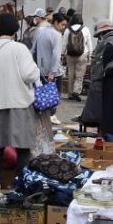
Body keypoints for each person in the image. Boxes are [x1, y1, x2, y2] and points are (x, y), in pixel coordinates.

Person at [0, 13, 40, 188]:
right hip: (19, 103)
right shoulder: (20, 49)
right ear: (14, 30)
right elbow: (30, 75)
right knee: (22, 147)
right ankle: (21, 186)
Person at [32, 11, 65, 154]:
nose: (63, 27)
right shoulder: (56, 35)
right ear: (56, 22)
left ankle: (43, 122)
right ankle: (50, 121)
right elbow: (56, 55)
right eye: (62, 24)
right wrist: (53, 72)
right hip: (51, 71)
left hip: (40, 69)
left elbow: (33, 50)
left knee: (42, 97)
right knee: (52, 98)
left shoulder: (41, 31)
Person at [62, 14, 91, 101]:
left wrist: (62, 54)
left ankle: (70, 93)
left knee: (71, 74)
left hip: (70, 54)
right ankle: (76, 91)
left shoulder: (68, 30)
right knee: (79, 75)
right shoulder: (86, 29)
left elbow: (64, 44)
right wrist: (90, 54)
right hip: (82, 54)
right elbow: (89, 43)